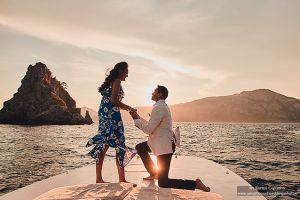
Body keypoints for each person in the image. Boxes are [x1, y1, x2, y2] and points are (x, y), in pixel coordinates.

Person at [130, 85, 210, 191]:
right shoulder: (160, 107)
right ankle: (154, 173)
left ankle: (195, 184)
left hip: (164, 147)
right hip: (158, 143)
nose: (152, 93)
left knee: (163, 182)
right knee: (140, 147)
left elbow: (148, 130)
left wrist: (135, 119)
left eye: (154, 91)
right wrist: (137, 116)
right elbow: (152, 126)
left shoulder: (159, 108)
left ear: (160, 94)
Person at [86, 62, 137, 183]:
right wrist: (130, 108)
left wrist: (126, 108)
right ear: (121, 71)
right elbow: (114, 100)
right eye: (126, 72)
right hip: (111, 115)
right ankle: (122, 179)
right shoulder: (117, 81)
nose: (127, 75)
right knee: (119, 143)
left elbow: (110, 100)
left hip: (104, 114)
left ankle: (99, 178)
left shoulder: (112, 81)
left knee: (104, 144)